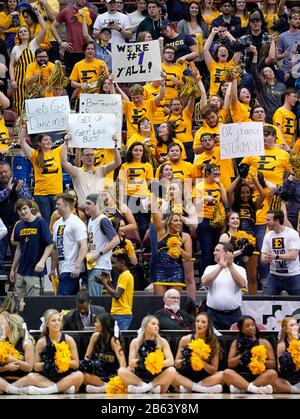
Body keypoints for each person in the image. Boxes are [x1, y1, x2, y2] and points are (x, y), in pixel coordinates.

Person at [16, 309, 84, 394]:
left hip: (65, 377)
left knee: (79, 375)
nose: (57, 323)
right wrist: (51, 363)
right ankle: (62, 389)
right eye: (53, 320)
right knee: (31, 376)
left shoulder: (68, 339)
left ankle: (47, 391)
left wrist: (62, 361)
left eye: (59, 320)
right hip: (46, 379)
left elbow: (76, 364)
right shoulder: (41, 342)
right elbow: (36, 366)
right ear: (47, 324)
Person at [118, 315, 177, 393]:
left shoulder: (162, 341)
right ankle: (143, 386)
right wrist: (146, 362)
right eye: (153, 324)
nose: (156, 326)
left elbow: (171, 361)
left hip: (157, 378)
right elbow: (131, 363)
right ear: (145, 327)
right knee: (121, 371)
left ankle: (148, 387)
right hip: (139, 377)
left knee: (172, 370)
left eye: (157, 324)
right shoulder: (135, 342)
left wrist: (155, 363)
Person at [61, 133, 121, 210]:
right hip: (82, 211)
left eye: (92, 155)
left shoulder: (100, 170)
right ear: (81, 157)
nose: (90, 157)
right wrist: (66, 143)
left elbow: (117, 162)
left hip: (98, 210)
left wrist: (115, 145)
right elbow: (63, 162)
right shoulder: (76, 171)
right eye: (87, 155)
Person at [9, 199, 53, 304]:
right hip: (21, 272)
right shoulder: (19, 225)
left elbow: (50, 244)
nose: (22, 212)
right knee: (18, 305)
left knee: (34, 306)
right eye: (19, 210)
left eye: (24, 208)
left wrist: (42, 261)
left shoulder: (40, 222)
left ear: (30, 208)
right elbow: (19, 248)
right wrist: (13, 268)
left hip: (35, 273)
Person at [19, 124, 64, 224]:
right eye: (45, 140)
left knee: (58, 222)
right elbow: (21, 142)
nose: (49, 141)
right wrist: (24, 127)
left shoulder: (57, 152)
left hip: (57, 194)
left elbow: (69, 142)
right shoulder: (35, 155)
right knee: (45, 222)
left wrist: (68, 135)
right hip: (42, 195)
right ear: (39, 143)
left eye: (50, 140)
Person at [223, 315, 277, 394]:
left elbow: (272, 364)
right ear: (241, 329)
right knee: (226, 372)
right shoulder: (236, 342)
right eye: (247, 326)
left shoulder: (264, 342)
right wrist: (242, 356)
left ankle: (243, 388)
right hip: (240, 376)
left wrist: (260, 359)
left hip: (259, 377)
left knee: (272, 373)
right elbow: (230, 364)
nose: (251, 327)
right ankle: (254, 389)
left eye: (253, 325)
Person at [9, 7, 46, 114]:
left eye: (25, 31)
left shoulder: (34, 44)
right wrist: (12, 80)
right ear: (18, 35)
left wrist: (37, 14)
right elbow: (11, 65)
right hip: (18, 80)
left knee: (33, 104)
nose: (23, 32)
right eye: (21, 32)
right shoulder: (15, 48)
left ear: (29, 33)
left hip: (33, 79)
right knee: (19, 105)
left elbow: (44, 29)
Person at [174, 312, 224, 393]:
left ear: (208, 326)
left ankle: (190, 388)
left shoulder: (213, 343)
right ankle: (203, 389)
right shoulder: (185, 339)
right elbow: (176, 363)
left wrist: (201, 361)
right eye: (197, 321)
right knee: (171, 372)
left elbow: (213, 370)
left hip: (204, 378)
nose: (199, 324)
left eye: (203, 322)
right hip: (186, 376)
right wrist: (188, 360)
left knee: (223, 374)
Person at [201, 242, 247, 330]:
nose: (214, 253)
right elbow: (204, 282)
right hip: (213, 314)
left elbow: (242, 284)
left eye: (217, 250)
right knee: (213, 342)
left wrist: (230, 266)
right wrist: (220, 267)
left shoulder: (240, 269)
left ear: (227, 253)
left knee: (234, 341)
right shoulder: (210, 268)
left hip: (234, 315)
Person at [80, 313, 126, 393]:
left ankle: (105, 386)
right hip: (97, 370)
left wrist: (120, 379)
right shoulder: (95, 336)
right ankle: (104, 387)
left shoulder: (114, 341)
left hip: (111, 375)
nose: (95, 324)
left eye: (97, 322)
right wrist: (89, 365)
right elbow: (87, 357)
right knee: (81, 374)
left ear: (104, 325)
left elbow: (122, 362)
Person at [52, 193, 88, 295]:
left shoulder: (76, 223)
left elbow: (84, 246)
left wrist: (77, 266)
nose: (56, 206)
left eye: (58, 204)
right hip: (63, 268)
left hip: (71, 269)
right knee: (71, 302)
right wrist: (52, 268)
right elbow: (55, 247)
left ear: (66, 205)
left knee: (61, 300)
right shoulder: (57, 224)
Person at [0, 162, 32, 276]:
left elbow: (29, 203)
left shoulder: (20, 184)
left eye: (6, 171)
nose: (4, 174)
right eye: (1, 172)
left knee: (18, 255)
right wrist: (8, 190)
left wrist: (17, 191)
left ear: (11, 172)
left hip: (17, 226)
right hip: (1, 227)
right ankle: (1, 285)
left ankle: (17, 282)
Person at [85, 193, 120, 296]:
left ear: (97, 205)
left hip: (100, 266)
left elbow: (116, 240)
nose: (85, 206)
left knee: (96, 300)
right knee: (94, 298)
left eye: (88, 203)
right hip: (93, 265)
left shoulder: (103, 220)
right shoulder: (91, 220)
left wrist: (99, 254)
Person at [261, 209, 300, 295]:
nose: (266, 222)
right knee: (264, 300)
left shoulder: (292, 233)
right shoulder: (268, 235)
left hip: (293, 275)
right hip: (274, 276)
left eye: (268, 220)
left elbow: (293, 255)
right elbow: (263, 256)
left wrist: (276, 256)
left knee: (298, 302)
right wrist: (265, 259)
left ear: (277, 221)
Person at [96, 252, 134, 330]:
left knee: (118, 339)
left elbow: (117, 295)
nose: (112, 266)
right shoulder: (123, 275)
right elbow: (116, 293)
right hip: (119, 314)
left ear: (122, 263)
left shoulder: (125, 276)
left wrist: (104, 283)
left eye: (113, 263)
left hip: (122, 314)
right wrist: (107, 282)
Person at [0, 313, 35, 395]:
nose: (2, 327)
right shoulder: (1, 342)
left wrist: (13, 360)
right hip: (3, 379)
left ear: (12, 326)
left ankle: (7, 389)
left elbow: (29, 368)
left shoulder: (26, 343)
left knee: (33, 377)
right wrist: (7, 367)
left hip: (21, 380)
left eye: (5, 324)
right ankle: (12, 390)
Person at [273, 316, 300, 393]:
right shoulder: (282, 345)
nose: (295, 327)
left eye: (296, 324)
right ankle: (294, 389)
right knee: (275, 382)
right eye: (292, 325)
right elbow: (279, 368)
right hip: (288, 378)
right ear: (286, 329)